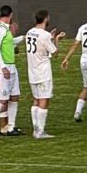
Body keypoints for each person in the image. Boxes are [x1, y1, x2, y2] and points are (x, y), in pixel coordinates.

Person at [24, 9, 63, 140]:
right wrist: (56, 39)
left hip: (32, 71)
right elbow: (55, 53)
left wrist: (50, 38)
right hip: (43, 72)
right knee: (44, 100)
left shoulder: (30, 32)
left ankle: (36, 129)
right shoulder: (45, 35)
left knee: (36, 99)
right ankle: (40, 131)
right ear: (46, 18)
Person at [60, 4, 87, 125]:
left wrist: (66, 58)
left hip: (83, 59)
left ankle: (77, 112)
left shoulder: (83, 27)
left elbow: (75, 44)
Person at [0, 5, 24, 137]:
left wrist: (23, 38)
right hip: (4, 68)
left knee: (14, 97)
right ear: (11, 15)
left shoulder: (5, 29)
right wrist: (2, 67)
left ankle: (10, 126)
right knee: (2, 99)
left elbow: (9, 43)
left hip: (11, 66)